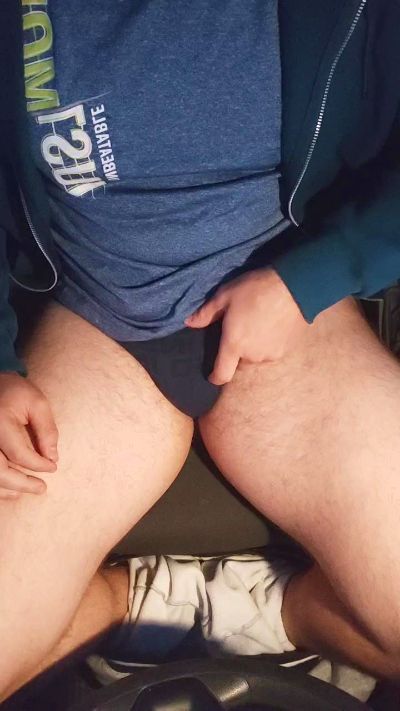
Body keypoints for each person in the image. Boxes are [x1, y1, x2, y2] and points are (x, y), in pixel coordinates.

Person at [1, 0, 400, 701]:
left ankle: (282, 613)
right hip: (99, 320)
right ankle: (127, 603)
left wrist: (314, 277)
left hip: (287, 310)